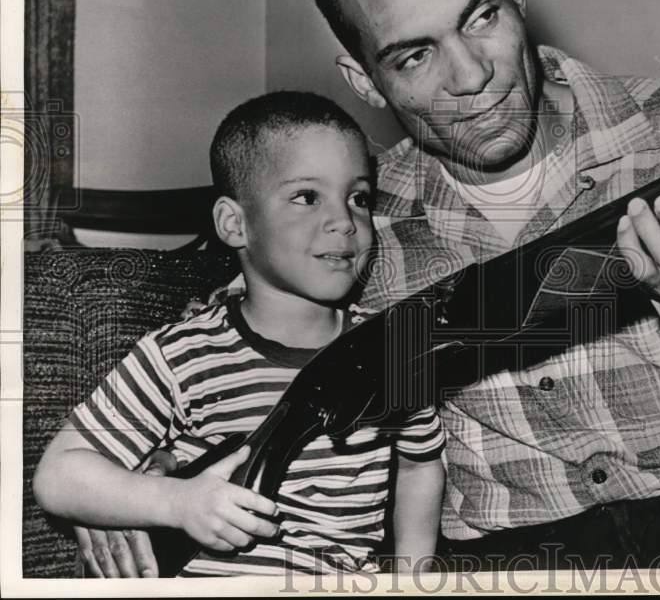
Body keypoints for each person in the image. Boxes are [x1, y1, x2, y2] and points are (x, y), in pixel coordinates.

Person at [75, 0, 660, 575]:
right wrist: (138, 488)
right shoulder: (359, 228)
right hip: (511, 561)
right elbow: (247, 352)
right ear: (367, 84)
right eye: (415, 56)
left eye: (481, 17)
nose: (472, 74)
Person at [35, 91, 445, 577]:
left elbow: (421, 465)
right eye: (306, 197)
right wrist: (177, 502)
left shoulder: (391, 353)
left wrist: (412, 579)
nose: (345, 221)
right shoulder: (182, 354)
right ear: (235, 224)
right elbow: (59, 475)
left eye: (358, 197)